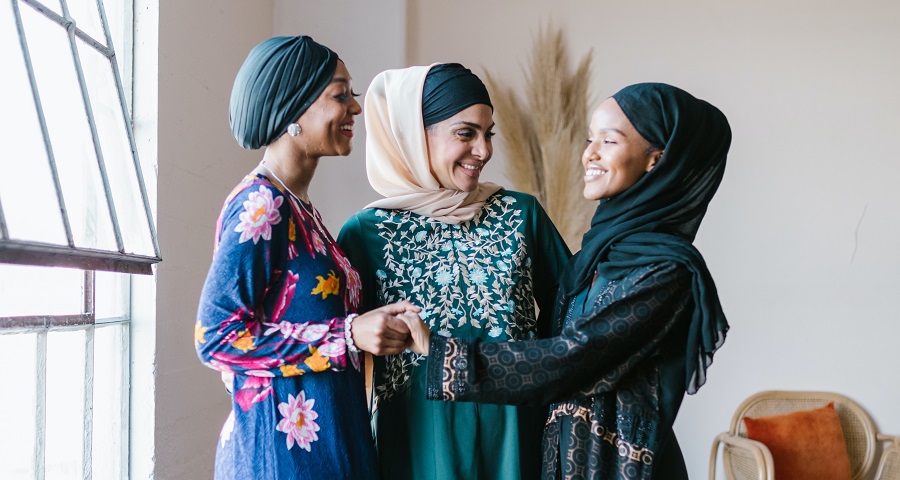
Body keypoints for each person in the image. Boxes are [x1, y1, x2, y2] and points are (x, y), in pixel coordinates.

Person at [400, 82, 732, 480]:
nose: (588, 154)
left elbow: (573, 357)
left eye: (608, 141)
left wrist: (440, 352)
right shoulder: (601, 254)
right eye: (590, 139)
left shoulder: (666, 271)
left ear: (656, 161)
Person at [194, 35, 418, 480]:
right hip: (280, 458)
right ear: (291, 108)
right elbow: (216, 337)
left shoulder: (299, 206)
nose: (355, 108)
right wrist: (349, 333)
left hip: (331, 445)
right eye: (340, 95)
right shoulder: (263, 203)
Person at [337, 63, 571, 480]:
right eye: (466, 133)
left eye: (488, 134)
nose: (483, 150)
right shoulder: (365, 234)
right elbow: (341, 350)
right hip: (420, 448)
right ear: (414, 134)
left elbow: (573, 315)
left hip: (517, 442)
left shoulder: (521, 215)